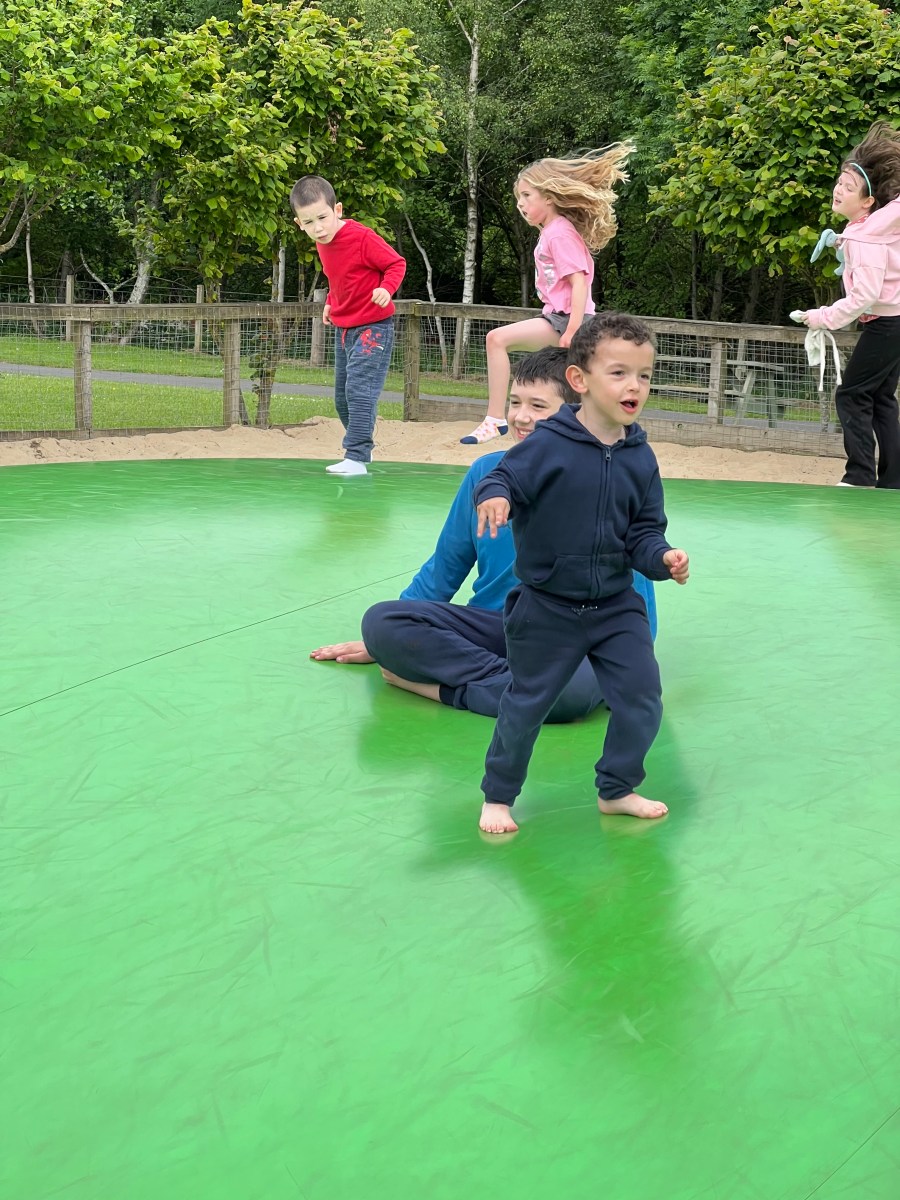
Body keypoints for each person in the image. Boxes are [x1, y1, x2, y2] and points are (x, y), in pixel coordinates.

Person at [310, 347, 659, 723]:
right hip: (497, 630)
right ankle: (522, 689)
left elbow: (639, 603)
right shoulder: (486, 473)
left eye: (538, 406)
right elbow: (446, 566)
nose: (521, 417)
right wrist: (380, 644)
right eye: (515, 402)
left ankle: (448, 689)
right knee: (382, 621)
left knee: (575, 690)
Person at [473, 312, 689, 835]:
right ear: (580, 379)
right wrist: (496, 497)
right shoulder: (548, 443)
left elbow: (644, 532)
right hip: (547, 607)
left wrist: (662, 559)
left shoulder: (641, 457)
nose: (634, 386)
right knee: (525, 705)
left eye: (643, 375)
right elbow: (503, 477)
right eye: (619, 373)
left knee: (642, 697)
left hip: (615, 606)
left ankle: (617, 789)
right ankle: (498, 797)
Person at [460, 145, 634, 445]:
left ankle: (495, 419)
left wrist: (573, 328)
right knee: (577, 385)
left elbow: (580, 283)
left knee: (496, 339)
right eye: (518, 198)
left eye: (527, 195)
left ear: (549, 197)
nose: (521, 203)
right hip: (559, 318)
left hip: (568, 320)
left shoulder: (560, 233)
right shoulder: (552, 231)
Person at [794, 122, 900, 489]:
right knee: (881, 398)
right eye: (839, 182)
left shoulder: (866, 238)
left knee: (852, 394)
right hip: (892, 323)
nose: (838, 190)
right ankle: (893, 480)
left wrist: (822, 317)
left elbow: (864, 297)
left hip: (886, 324)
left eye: (848, 187)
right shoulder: (871, 230)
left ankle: (859, 476)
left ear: (868, 201)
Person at [291, 175, 406, 477]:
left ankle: (356, 456)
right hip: (344, 329)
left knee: (358, 390)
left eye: (322, 217)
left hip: (374, 326)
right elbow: (339, 278)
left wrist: (387, 289)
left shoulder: (362, 237)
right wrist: (331, 301)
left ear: (337, 210)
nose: (318, 227)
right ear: (299, 224)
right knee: (342, 399)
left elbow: (396, 263)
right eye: (309, 222)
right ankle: (361, 447)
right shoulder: (322, 243)